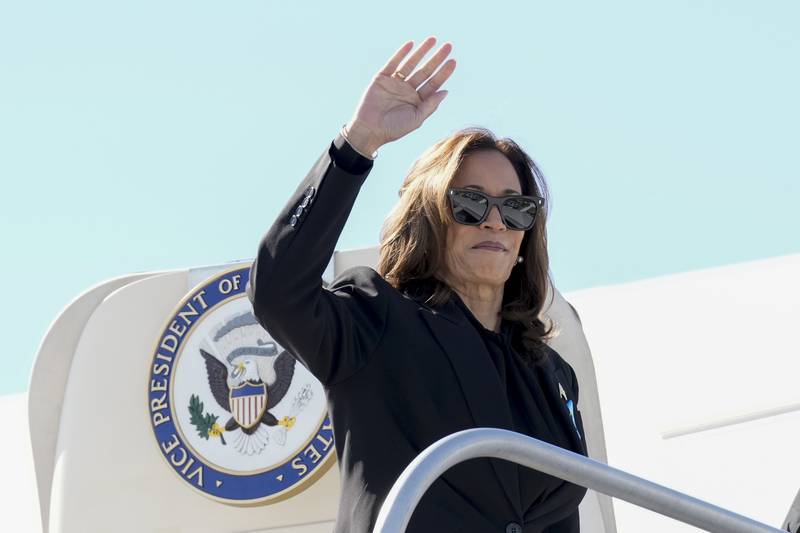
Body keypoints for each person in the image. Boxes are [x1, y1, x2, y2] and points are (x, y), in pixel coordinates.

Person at [247, 37, 588, 533]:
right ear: (429, 216)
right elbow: (279, 291)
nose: (495, 222)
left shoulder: (552, 375)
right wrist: (358, 142)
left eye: (515, 209)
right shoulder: (374, 320)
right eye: (470, 203)